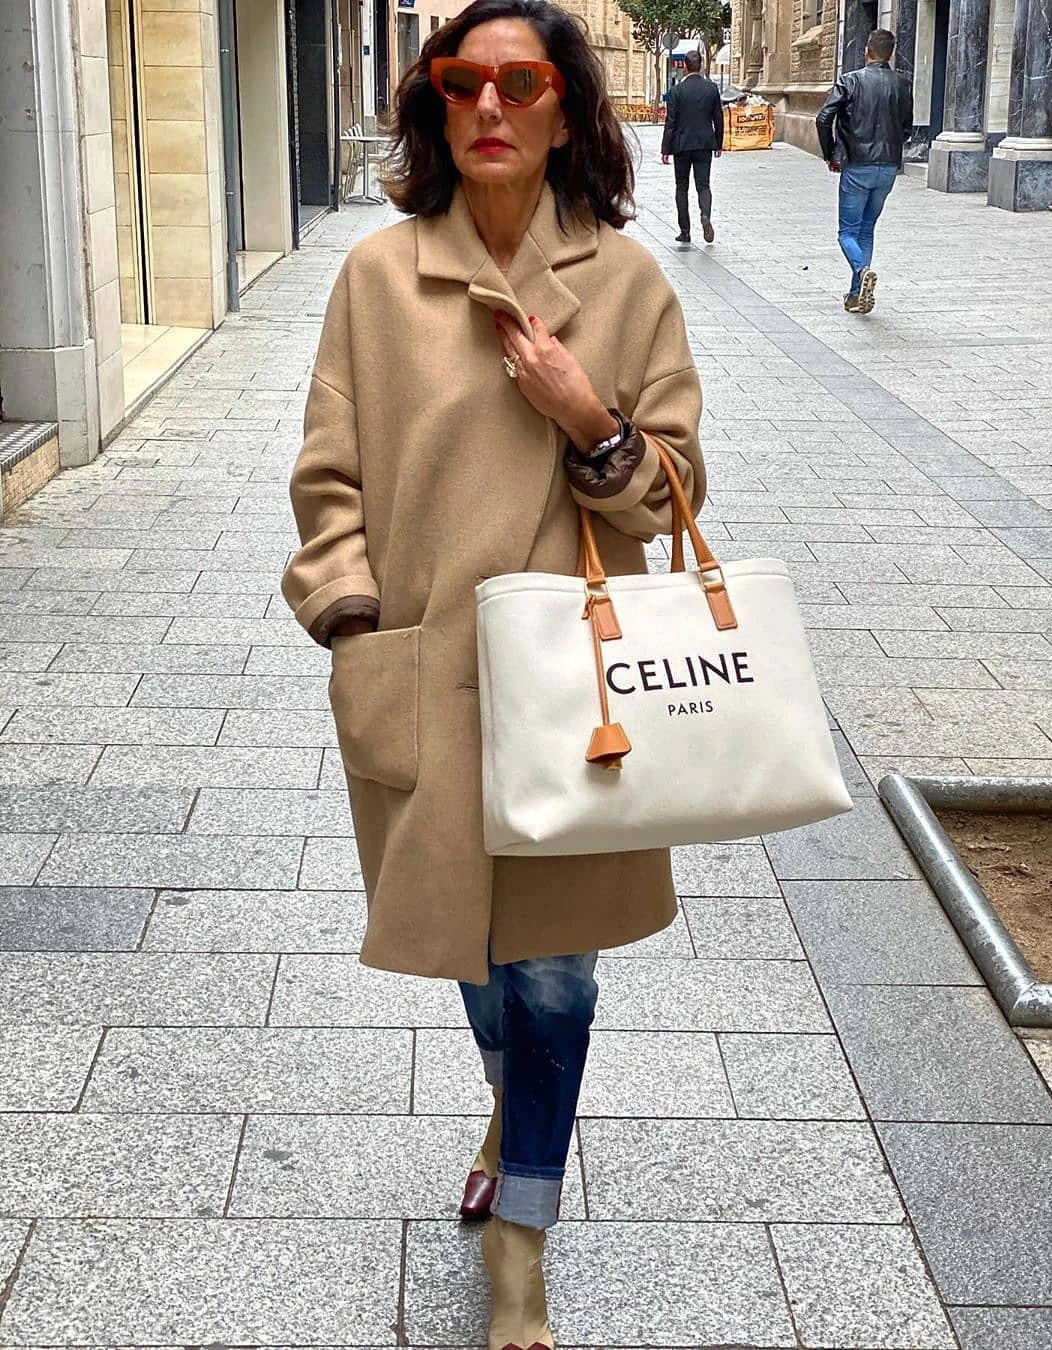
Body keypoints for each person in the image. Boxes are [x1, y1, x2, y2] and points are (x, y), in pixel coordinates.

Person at [281, 2, 706, 1346]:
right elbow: (327, 480)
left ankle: (522, 1237)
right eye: (463, 82)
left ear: (566, 112)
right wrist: (352, 615)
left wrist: (588, 415)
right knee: (477, 955)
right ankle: (510, 1106)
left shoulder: (629, 287)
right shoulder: (378, 278)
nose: (489, 107)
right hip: (425, 679)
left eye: (521, 86)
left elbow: (672, 498)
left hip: (576, 696)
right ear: (436, 105)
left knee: (556, 976)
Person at [815, 28, 913, 314]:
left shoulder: (850, 81)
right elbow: (907, 127)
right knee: (867, 229)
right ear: (891, 54)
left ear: (867, 50)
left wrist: (830, 153)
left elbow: (823, 118)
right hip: (888, 167)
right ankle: (856, 295)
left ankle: (861, 271)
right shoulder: (902, 84)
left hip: (857, 165)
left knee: (847, 232)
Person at [660, 49, 723, 244]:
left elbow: (670, 122)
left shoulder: (676, 91)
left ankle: (685, 231)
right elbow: (718, 118)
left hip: (682, 145)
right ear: (701, 65)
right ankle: (705, 215)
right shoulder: (711, 89)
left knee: (682, 187)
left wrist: (665, 149)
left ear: (685, 67)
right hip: (705, 144)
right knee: (703, 185)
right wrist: (718, 143)